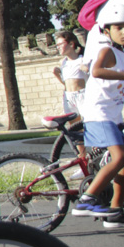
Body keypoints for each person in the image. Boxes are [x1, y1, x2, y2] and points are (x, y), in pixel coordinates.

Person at [71, 4, 124, 229]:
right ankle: (87, 199)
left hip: (111, 116)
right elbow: (96, 72)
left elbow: (113, 85)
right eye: (119, 27)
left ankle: (115, 211)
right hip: (98, 114)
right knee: (121, 158)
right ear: (107, 31)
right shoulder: (106, 51)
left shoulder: (122, 55)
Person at [52, 30, 89, 175]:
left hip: (83, 96)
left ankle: (97, 157)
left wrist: (88, 69)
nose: (58, 47)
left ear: (71, 44)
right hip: (69, 97)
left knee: (90, 127)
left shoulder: (82, 60)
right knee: (75, 131)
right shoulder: (64, 63)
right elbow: (66, 83)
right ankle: (84, 163)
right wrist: (57, 75)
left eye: (61, 44)